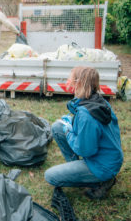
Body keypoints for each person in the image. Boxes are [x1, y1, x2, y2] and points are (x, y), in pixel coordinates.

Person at [45, 66, 123, 199]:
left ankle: (100, 182)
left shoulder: (86, 115)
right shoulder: (99, 101)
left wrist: (69, 132)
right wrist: (70, 124)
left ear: (79, 83)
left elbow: (86, 150)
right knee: (58, 126)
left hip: (102, 166)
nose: (68, 82)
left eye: (71, 79)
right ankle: (78, 170)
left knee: (50, 176)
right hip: (110, 158)